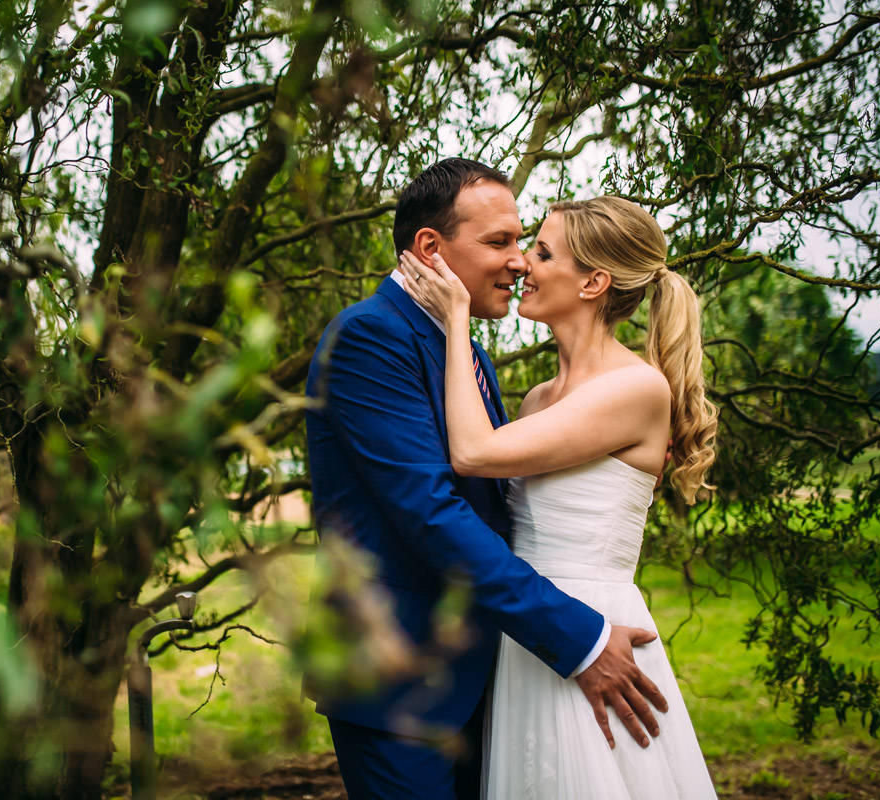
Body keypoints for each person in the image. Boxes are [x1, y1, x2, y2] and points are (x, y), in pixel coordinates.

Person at [305, 159, 668, 800]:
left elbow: (495, 504)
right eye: (500, 242)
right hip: (401, 684)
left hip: (487, 678)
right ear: (430, 248)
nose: (520, 261)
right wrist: (579, 638)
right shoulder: (369, 338)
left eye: (525, 243)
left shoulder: (462, 348)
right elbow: (432, 514)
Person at [398, 194, 719, 798]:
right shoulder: (539, 399)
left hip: (595, 633)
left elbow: (473, 453)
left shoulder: (636, 388)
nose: (522, 264)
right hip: (529, 630)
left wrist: (457, 317)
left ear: (594, 282)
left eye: (541, 253)